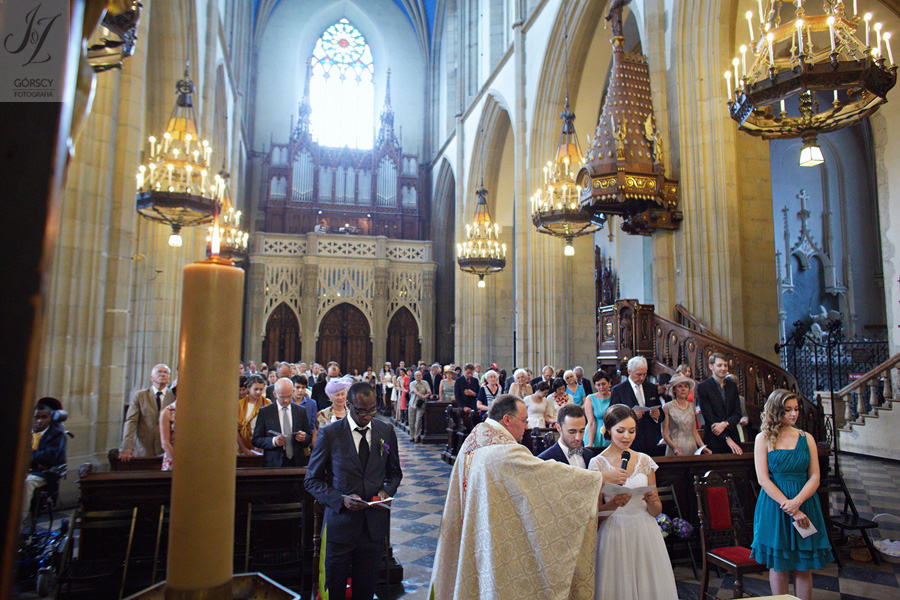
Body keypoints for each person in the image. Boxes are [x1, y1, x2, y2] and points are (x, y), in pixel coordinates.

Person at [429, 395, 605, 600]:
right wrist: (597, 478)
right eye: (523, 420)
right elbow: (544, 475)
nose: (526, 426)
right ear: (507, 419)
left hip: (477, 528)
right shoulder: (502, 452)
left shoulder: (475, 439)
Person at [305, 383, 402, 600]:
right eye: (361, 411)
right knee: (335, 591)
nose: (367, 416)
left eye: (372, 410)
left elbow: (395, 473)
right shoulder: (330, 434)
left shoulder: (385, 431)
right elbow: (311, 480)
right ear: (349, 405)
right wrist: (341, 500)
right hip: (341, 525)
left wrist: (386, 491)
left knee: (365, 591)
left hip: (373, 527)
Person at [588, 404, 678, 600]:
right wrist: (614, 503)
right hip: (614, 531)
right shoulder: (597, 463)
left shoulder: (645, 461)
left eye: (632, 431)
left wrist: (653, 501)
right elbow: (596, 514)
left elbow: (656, 511)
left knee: (648, 586)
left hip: (645, 529)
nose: (626, 437)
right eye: (620, 431)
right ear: (608, 430)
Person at [750, 390, 832, 600]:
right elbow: (763, 479)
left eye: (796, 409)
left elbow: (815, 477)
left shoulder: (807, 438)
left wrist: (798, 502)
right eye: (787, 410)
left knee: (804, 565)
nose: (794, 414)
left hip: (805, 502)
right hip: (775, 505)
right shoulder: (763, 438)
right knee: (779, 565)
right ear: (776, 411)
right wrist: (791, 508)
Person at [21, 400, 67, 527]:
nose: (39, 421)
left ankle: (20, 521)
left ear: (51, 418)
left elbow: (48, 458)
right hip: (28, 469)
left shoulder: (56, 434)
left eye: (44, 417)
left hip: (45, 473)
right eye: (37, 417)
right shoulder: (27, 431)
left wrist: (29, 457)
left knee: (27, 483)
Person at [609, 356, 666, 457]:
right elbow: (612, 417)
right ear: (629, 372)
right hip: (630, 441)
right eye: (639, 375)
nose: (642, 378)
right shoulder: (619, 390)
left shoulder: (651, 388)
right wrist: (630, 415)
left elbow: (661, 414)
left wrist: (657, 415)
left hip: (651, 441)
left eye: (644, 374)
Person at [120, 364, 176, 461]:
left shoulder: (173, 397)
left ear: (169, 378)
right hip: (143, 448)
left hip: (165, 450)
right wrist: (127, 446)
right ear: (151, 377)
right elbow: (131, 421)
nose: (163, 374)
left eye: (166, 373)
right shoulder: (140, 395)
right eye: (159, 372)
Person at [252, 378, 312, 467]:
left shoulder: (301, 411)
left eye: (289, 396)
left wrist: (303, 437)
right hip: (274, 463)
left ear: (293, 391)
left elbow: (309, 437)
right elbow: (256, 440)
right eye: (283, 397)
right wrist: (273, 441)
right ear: (275, 394)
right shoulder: (265, 412)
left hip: (297, 462)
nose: (286, 400)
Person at [696, 352, 744, 455]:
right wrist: (727, 438)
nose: (723, 368)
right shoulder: (703, 387)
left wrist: (725, 424)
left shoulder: (732, 386)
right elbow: (709, 417)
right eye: (719, 365)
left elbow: (737, 413)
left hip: (734, 437)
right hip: (714, 440)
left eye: (725, 365)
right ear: (711, 366)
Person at [661, 374, 710, 456]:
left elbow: (694, 432)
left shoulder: (691, 406)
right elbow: (664, 433)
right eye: (680, 386)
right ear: (674, 389)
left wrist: (703, 447)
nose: (683, 389)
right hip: (675, 449)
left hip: (691, 448)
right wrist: (675, 449)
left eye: (686, 386)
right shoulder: (667, 407)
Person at [538, 403, 595, 467]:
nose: (578, 438)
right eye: (572, 432)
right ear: (558, 428)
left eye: (581, 431)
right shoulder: (545, 459)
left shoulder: (589, 455)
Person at [237, 375, 271, 456]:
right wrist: (245, 449)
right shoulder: (240, 404)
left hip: (262, 446)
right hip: (242, 446)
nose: (258, 392)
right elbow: (236, 429)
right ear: (248, 388)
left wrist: (260, 448)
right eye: (255, 389)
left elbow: (269, 428)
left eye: (261, 389)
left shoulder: (267, 403)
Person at [583, 370, 613, 448]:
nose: (601, 387)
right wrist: (590, 444)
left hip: (611, 432)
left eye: (604, 384)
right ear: (595, 386)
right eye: (598, 385)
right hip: (594, 433)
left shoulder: (614, 396)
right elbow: (591, 422)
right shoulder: (590, 398)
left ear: (609, 383)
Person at [292, 375, 318, 451]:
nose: (300, 390)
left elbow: (313, 424)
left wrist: (308, 438)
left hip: (305, 440)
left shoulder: (311, 403)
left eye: (303, 388)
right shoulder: (288, 403)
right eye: (297, 387)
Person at [408, 369, 432, 442]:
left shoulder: (425, 383)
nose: (418, 377)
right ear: (414, 377)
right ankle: (411, 435)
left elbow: (429, 391)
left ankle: (417, 436)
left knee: (418, 420)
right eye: (417, 376)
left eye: (420, 375)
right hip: (413, 403)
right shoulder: (412, 384)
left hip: (421, 404)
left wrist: (428, 393)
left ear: (421, 376)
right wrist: (423, 396)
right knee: (411, 421)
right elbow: (415, 392)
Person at [160, 399, 176, 471]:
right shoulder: (167, 412)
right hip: (173, 459)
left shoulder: (195, 411)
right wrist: (178, 462)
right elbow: (165, 443)